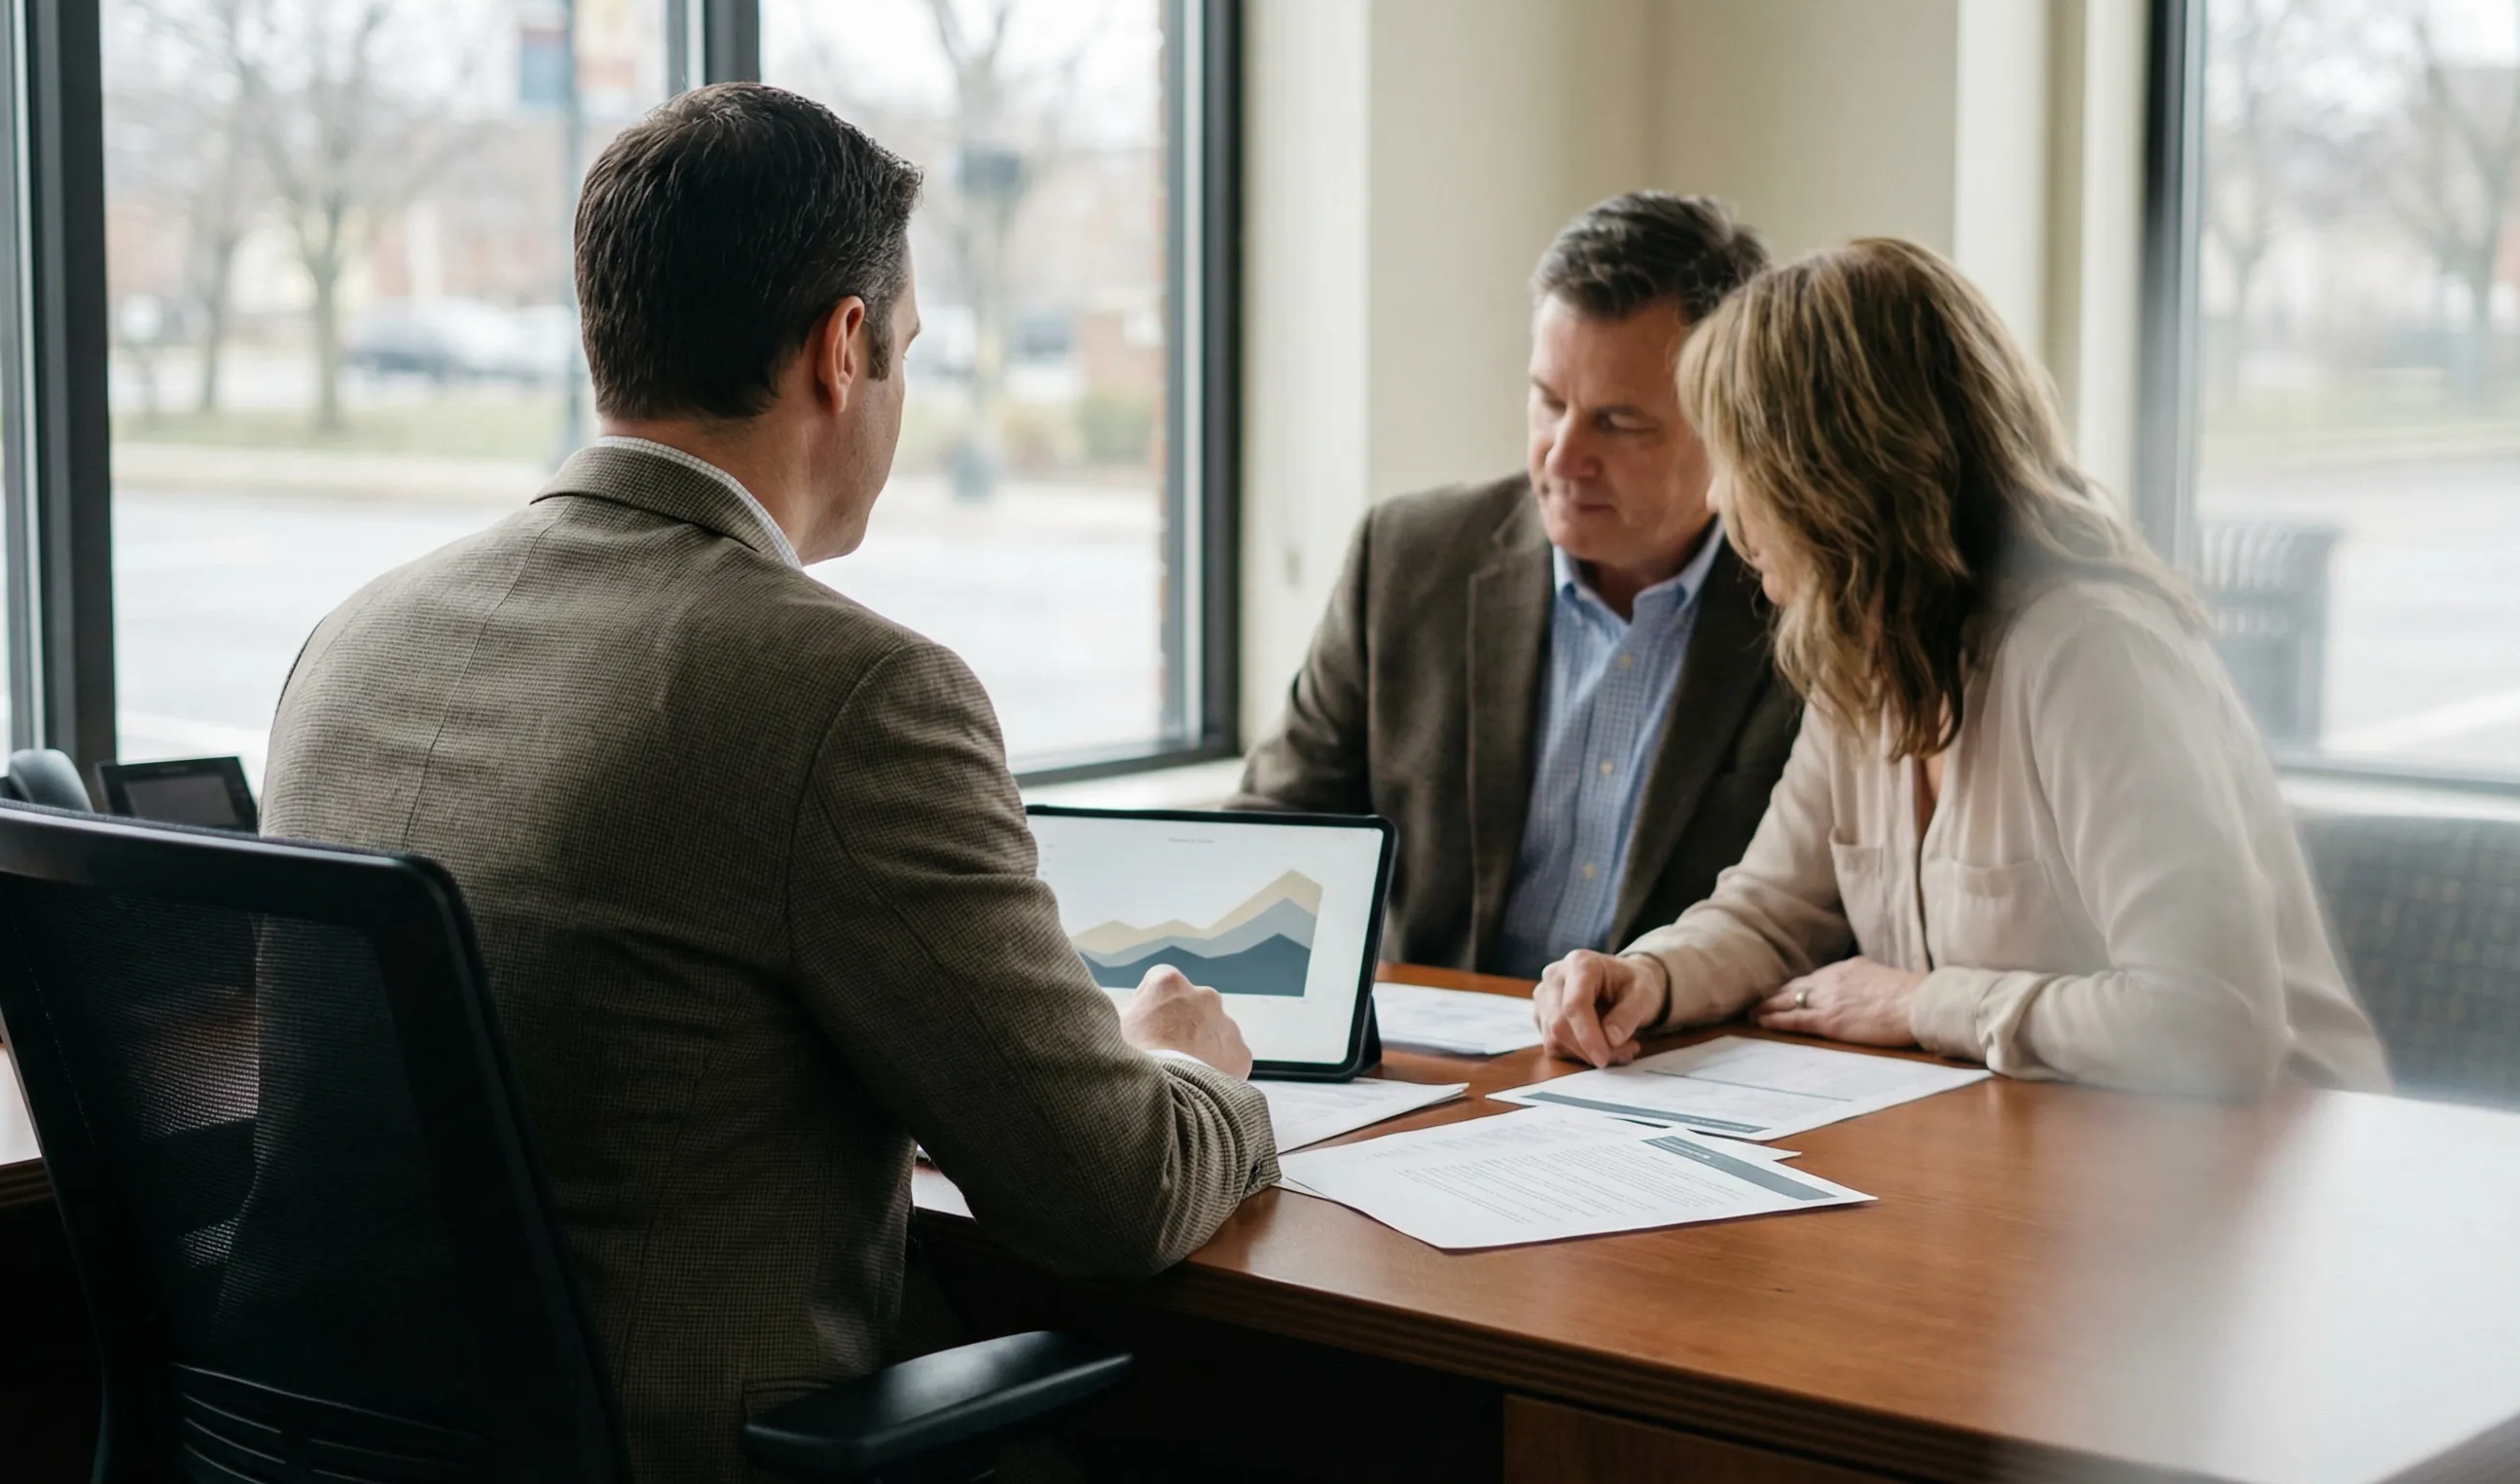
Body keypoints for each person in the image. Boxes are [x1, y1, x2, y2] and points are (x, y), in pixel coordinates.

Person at [260, 85, 1276, 1479]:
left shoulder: (355, 637)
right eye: (906, 349)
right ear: (842, 349)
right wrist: (1191, 1073)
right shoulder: (852, 693)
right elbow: (1110, 1196)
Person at [1533, 238, 2390, 1098]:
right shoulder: (1863, 649)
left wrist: (1923, 1006)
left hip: (2274, 1168)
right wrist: (1653, 976)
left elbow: (2212, 1024)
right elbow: (1771, 913)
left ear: (1831, 475)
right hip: (2046, 1151)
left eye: (1737, 461)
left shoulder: (2093, 654)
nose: (1718, 500)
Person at [1235, 193, 1803, 979]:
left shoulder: (1807, 599)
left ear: (1730, 423)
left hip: (1685, 1065)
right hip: (1436, 1060)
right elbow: (1271, 828)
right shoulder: (1406, 559)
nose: (1563, 458)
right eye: (1548, 401)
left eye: (1619, 422)